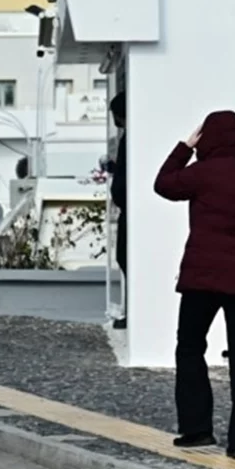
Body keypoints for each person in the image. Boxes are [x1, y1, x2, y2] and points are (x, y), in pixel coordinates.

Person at [153, 110, 235, 460]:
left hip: (202, 279)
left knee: (190, 347)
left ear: (208, 139)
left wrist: (184, 147)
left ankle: (197, 429)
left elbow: (163, 184)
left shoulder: (201, 174)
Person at [104, 92, 128, 329]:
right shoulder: (128, 138)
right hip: (127, 208)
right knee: (124, 258)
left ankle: (132, 312)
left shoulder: (129, 139)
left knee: (125, 257)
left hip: (129, 211)